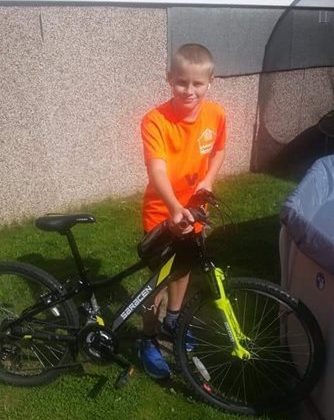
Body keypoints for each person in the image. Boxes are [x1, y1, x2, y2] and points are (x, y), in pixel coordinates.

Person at [138, 43, 227, 379]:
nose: (189, 91)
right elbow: (156, 170)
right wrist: (175, 206)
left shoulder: (216, 114)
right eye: (181, 82)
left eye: (197, 84)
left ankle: (173, 321)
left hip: (194, 211)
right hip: (163, 212)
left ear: (210, 81)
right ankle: (147, 337)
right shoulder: (155, 120)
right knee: (155, 283)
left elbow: (218, 149)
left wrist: (207, 181)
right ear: (169, 79)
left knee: (184, 266)